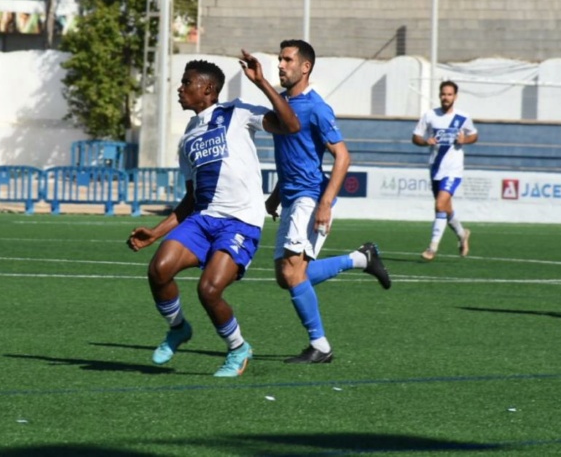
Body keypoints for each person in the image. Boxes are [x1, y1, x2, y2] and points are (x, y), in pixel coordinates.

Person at [127, 53, 299, 377]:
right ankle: (178, 328)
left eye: (187, 83)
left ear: (207, 89)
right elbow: (191, 198)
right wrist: (156, 231)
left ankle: (238, 348)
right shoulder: (187, 139)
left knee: (208, 290)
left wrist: (261, 81)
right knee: (159, 270)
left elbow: (291, 125)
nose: (180, 89)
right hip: (203, 219)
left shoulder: (237, 112)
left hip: (240, 221)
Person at [264, 40, 391, 365]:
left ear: (305, 67)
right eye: (279, 59)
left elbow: (343, 156)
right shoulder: (284, 106)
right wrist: (277, 195)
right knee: (286, 276)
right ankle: (361, 259)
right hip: (292, 196)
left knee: (293, 275)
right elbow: (296, 156)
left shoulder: (317, 107)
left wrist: (325, 202)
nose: (281, 65)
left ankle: (320, 345)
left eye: (288, 60)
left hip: (310, 197)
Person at [412, 80, 478, 261]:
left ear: (455, 97)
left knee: (440, 205)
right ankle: (462, 233)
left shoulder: (462, 117)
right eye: (443, 94)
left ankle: (432, 248)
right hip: (435, 168)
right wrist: (426, 141)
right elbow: (415, 137)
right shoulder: (430, 116)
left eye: (449, 94)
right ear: (440, 95)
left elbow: (474, 135)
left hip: (453, 170)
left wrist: (465, 140)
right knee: (445, 208)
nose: (446, 97)